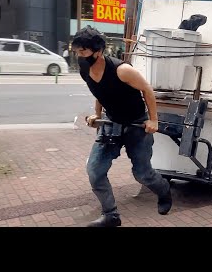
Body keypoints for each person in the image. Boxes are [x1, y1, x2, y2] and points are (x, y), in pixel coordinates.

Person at [72, 25, 172, 227]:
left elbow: (147, 89)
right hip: (112, 124)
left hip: (137, 126)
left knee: (142, 174)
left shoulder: (122, 70)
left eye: (83, 51)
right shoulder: (85, 69)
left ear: (97, 51)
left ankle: (164, 190)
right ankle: (111, 215)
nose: (79, 55)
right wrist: (97, 115)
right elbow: (100, 92)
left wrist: (153, 120)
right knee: (95, 170)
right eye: (76, 51)